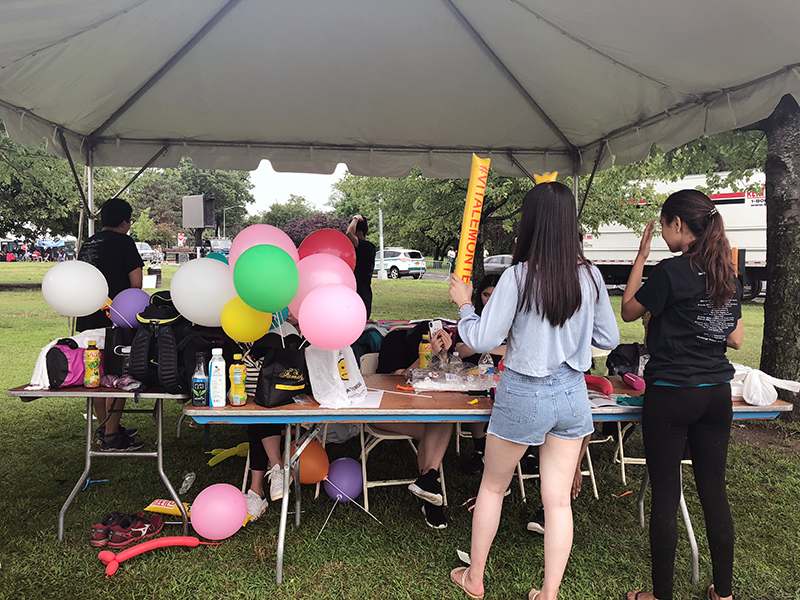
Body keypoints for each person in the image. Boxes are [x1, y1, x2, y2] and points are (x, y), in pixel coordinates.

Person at [448, 181, 619, 600]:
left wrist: (465, 305)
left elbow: (485, 339)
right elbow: (609, 337)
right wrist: (574, 342)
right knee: (558, 502)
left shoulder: (517, 277)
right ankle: (548, 593)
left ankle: (475, 579)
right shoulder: (591, 275)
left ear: (530, 224)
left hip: (524, 392)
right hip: (572, 393)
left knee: (493, 486)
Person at [621, 190, 743, 600]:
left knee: (666, 494)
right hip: (715, 394)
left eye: (665, 224)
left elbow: (628, 310)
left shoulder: (671, 271)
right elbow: (737, 339)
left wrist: (641, 257)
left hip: (672, 394)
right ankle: (723, 593)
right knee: (713, 490)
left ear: (677, 225)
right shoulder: (726, 272)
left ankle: (660, 596)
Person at [77, 198, 145, 451]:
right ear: (125, 222)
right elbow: (136, 282)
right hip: (116, 317)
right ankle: (111, 434)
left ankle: (104, 427)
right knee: (118, 375)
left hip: (86, 315)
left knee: (95, 374)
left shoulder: (89, 242)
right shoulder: (124, 242)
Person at [374, 321, 455, 529]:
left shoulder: (443, 349)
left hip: (423, 411)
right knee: (433, 427)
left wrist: (443, 356)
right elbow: (391, 378)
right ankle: (430, 492)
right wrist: (426, 356)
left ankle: (429, 480)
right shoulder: (395, 342)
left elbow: (446, 380)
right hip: (387, 411)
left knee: (442, 419)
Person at [453, 274, 506, 475]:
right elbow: (461, 351)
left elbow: (514, 351)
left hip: (503, 374)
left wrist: (480, 343)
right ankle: (479, 448)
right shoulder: (472, 318)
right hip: (475, 375)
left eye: (494, 295)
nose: (489, 300)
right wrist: (493, 344)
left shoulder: (509, 318)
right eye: (485, 294)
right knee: (475, 397)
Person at [346, 215, 377, 319]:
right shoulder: (357, 250)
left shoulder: (368, 247)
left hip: (362, 297)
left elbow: (349, 234)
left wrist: (356, 218)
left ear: (359, 234)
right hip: (357, 296)